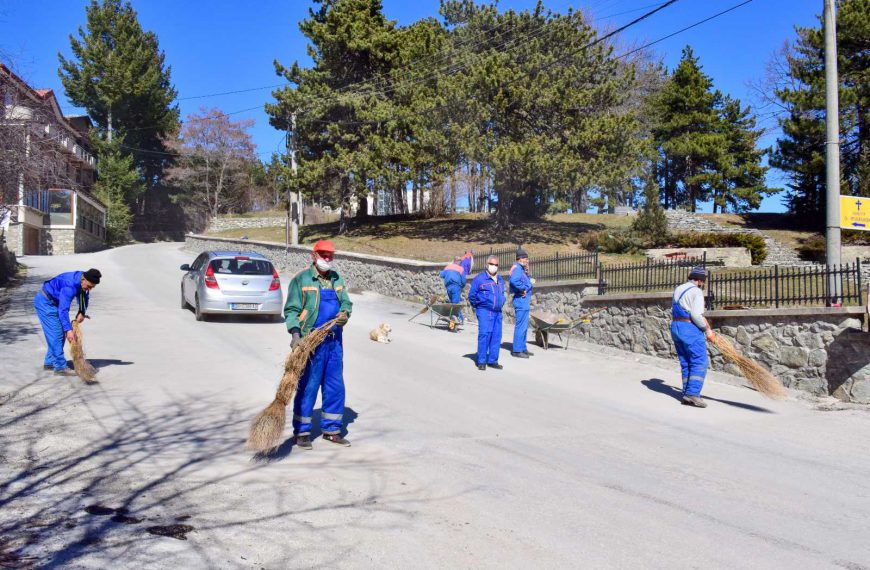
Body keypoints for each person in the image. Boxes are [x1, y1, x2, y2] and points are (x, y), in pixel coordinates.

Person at [284, 239, 353, 449]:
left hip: (334, 343)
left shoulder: (336, 278)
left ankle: (332, 430)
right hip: (311, 342)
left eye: (330, 255)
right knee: (308, 386)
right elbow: (291, 310)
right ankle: (302, 432)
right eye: (323, 255)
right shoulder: (302, 279)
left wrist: (345, 314)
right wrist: (296, 334)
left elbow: (346, 302)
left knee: (335, 386)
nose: (327, 259)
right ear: (313, 256)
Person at [34, 268, 101, 376]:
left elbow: (84, 295)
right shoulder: (70, 286)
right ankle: (60, 367)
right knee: (57, 334)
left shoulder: (83, 280)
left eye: (92, 287)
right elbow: (63, 310)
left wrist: (82, 312)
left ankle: (50, 361)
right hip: (45, 303)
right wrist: (68, 329)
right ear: (83, 279)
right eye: (89, 286)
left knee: (59, 334)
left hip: (55, 302)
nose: (90, 289)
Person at [671, 266, 716, 408]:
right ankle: (693, 394)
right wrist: (707, 330)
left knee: (686, 362)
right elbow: (696, 315)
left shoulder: (679, 288)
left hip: (676, 327)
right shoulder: (696, 292)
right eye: (703, 281)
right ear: (699, 280)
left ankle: (686, 393)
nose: (703, 284)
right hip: (689, 329)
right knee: (699, 361)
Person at [468, 255, 506, 371]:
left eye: (496, 265)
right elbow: (472, 296)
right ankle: (482, 361)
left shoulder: (500, 279)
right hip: (485, 310)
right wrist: (479, 306)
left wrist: (502, 301)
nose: (493, 267)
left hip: (497, 312)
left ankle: (493, 360)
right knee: (484, 334)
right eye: (491, 264)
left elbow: (502, 294)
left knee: (496, 336)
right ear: (486, 264)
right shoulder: (480, 279)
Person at [509, 247, 533, 358]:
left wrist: (527, 272)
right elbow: (514, 281)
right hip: (521, 300)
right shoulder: (517, 268)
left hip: (524, 301)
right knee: (521, 326)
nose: (527, 261)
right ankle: (517, 350)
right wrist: (522, 288)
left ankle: (522, 348)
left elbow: (525, 280)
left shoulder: (521, 269)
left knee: (524, 326)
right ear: (520, 259)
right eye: (526, 259)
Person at [439, 256, 468, 326]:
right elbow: (463, 280)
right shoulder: (460, 269)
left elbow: (441, 275)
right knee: (455, 305)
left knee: (453, 304)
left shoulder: (448, 267)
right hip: (456, 287)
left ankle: (455, 320)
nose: (460, 263)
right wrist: (462, 286)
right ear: (458, 261)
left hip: (448, 287)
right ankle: (458, 320)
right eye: (460, 261)